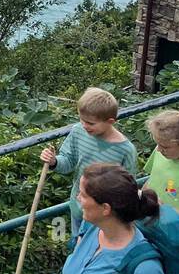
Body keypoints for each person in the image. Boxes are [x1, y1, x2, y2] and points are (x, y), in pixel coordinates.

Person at [41, 164, 169, 274]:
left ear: (105, 208)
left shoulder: (144, 271)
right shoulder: (90, 227)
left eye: (83, 195)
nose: (78, 198)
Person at [41, 87, 138, 239]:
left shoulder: (125, 150)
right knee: (77, 246)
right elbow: (68, 161)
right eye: (81, 120)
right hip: (79, 207)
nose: (84, 125)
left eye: (90, 123)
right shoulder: (78, 131)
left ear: (110, 121)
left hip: (105, 218)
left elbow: (127, 190)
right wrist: (54, 161)